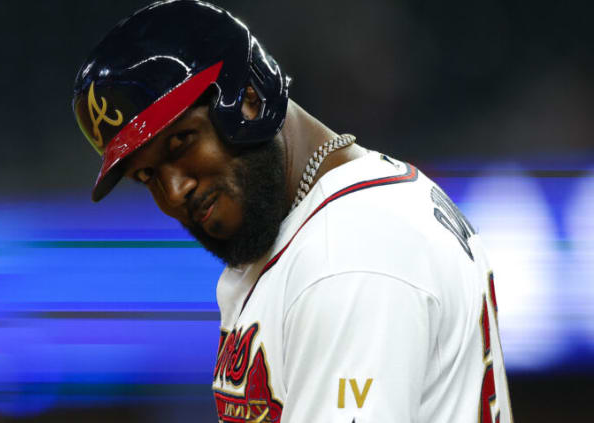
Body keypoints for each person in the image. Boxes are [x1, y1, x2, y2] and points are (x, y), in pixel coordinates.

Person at [71, 1, 513, 421]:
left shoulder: (349, 256)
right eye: (147, 177)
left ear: (248, 98)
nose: (174, 191)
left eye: (182, 142)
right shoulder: (328, 218)